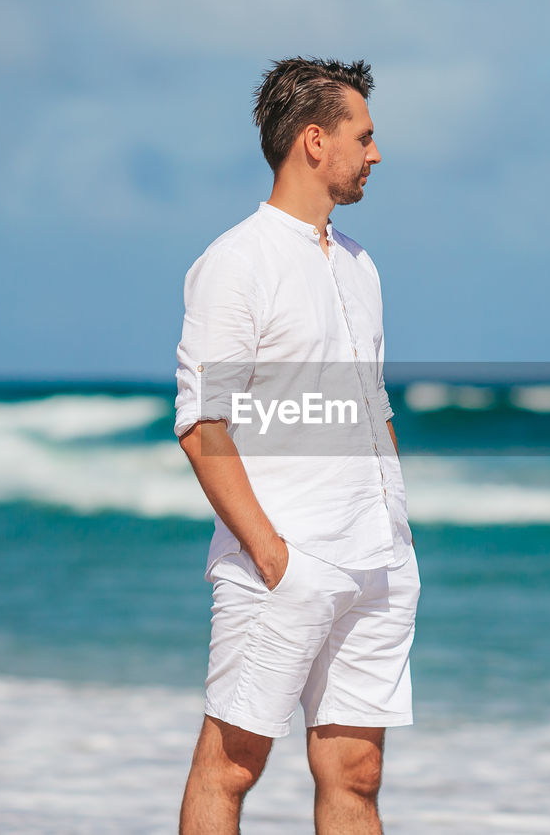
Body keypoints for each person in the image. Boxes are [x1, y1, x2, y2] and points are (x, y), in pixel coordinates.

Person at [173, 57, 419, 835]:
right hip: (283, 562)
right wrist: (273, 557)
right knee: (234, 763)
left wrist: (397, 527)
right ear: (315, 141)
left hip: (375, 557)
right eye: (364, 136)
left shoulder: (361, 264)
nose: (375, 154)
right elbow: (201, 424)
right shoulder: (236, 262)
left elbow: (372, 401)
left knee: (358, 774)